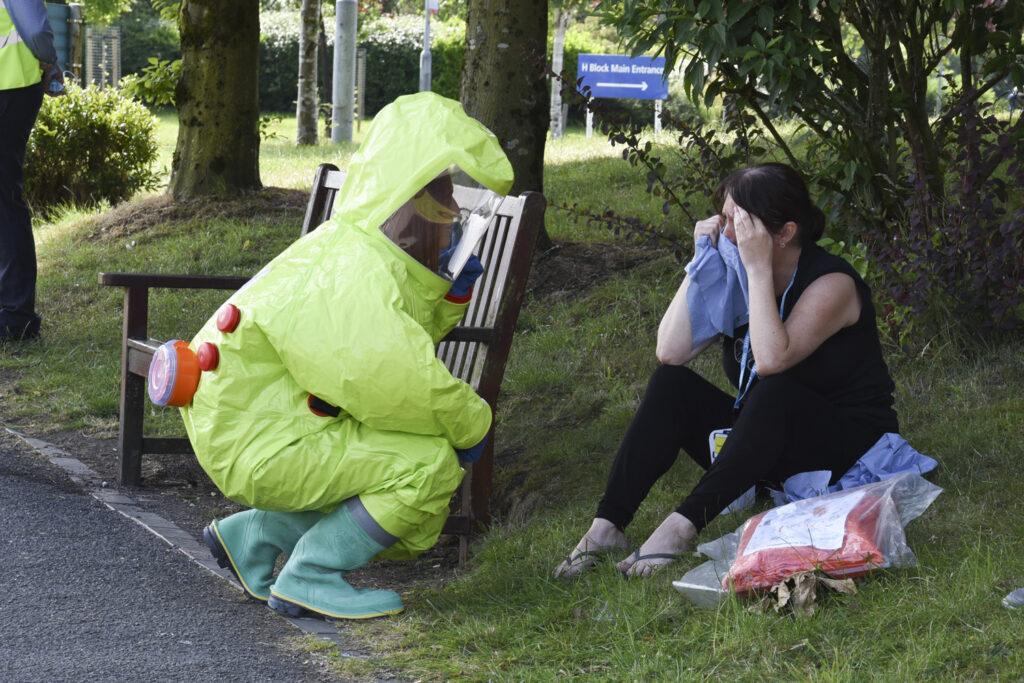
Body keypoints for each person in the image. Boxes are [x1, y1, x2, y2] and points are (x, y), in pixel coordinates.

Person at [145, 92, 513, 620]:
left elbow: (394, 336)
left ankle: (251, 537)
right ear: (413, 209)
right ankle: (309, 575)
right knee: (424, 464)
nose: (453, 225)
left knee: (378, 458)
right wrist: (472, 422)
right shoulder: (355, 270)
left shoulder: (355, 248)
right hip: (267, 435)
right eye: (445, 212)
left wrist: (448, 293)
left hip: (259, 421)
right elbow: (393, 376)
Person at [554, 162, 899, 578]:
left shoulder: (831, 283)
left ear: (785, 233)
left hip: (844, 447)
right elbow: (670, 350)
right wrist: (699, 262)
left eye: (740, 221)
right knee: (671, 384)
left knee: (776, 390)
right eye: (725, 217)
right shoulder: (739, 273)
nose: (730, 231)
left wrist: (756, 268)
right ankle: (607, 525)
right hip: (763, 442)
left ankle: (680, 528)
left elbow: (772, 361)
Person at [0, 0, 64, 342]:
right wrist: (51, 61)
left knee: (4, 198)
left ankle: (15, 315)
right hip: (12, 86)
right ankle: (14, 313)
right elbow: (37, 28)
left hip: (10, 87)